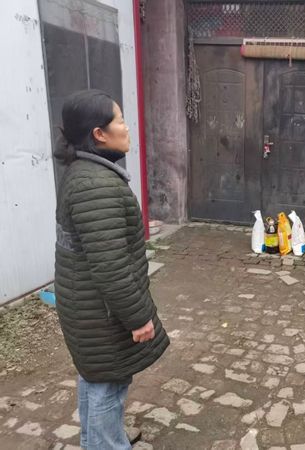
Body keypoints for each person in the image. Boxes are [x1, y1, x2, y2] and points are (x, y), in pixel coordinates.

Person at [54, 89, 170, 449]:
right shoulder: (96, 186)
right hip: (101, 313)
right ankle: (106, 443)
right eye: (120, 120)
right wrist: (138, 318)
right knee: (108, 385)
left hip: (87, 305)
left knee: (96, 377)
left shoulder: (85, 173)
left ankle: (100, 440)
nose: (127, 127)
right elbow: (111, 267)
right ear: (99, 134)